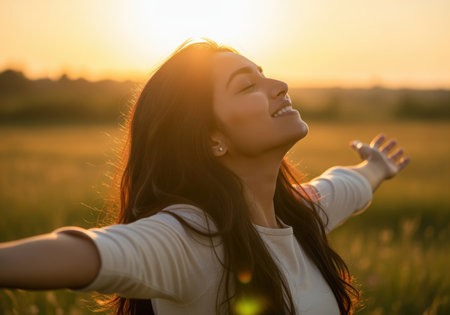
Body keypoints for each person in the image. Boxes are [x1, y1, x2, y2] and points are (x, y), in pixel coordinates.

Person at [0, 39, 410, 315]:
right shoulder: (192, 237)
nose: (281, 86)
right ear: (212, 138)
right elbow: (87, 253)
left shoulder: (300, 213)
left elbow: (344, 187)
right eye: (248, 84)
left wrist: (375, 167)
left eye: (265, 73)